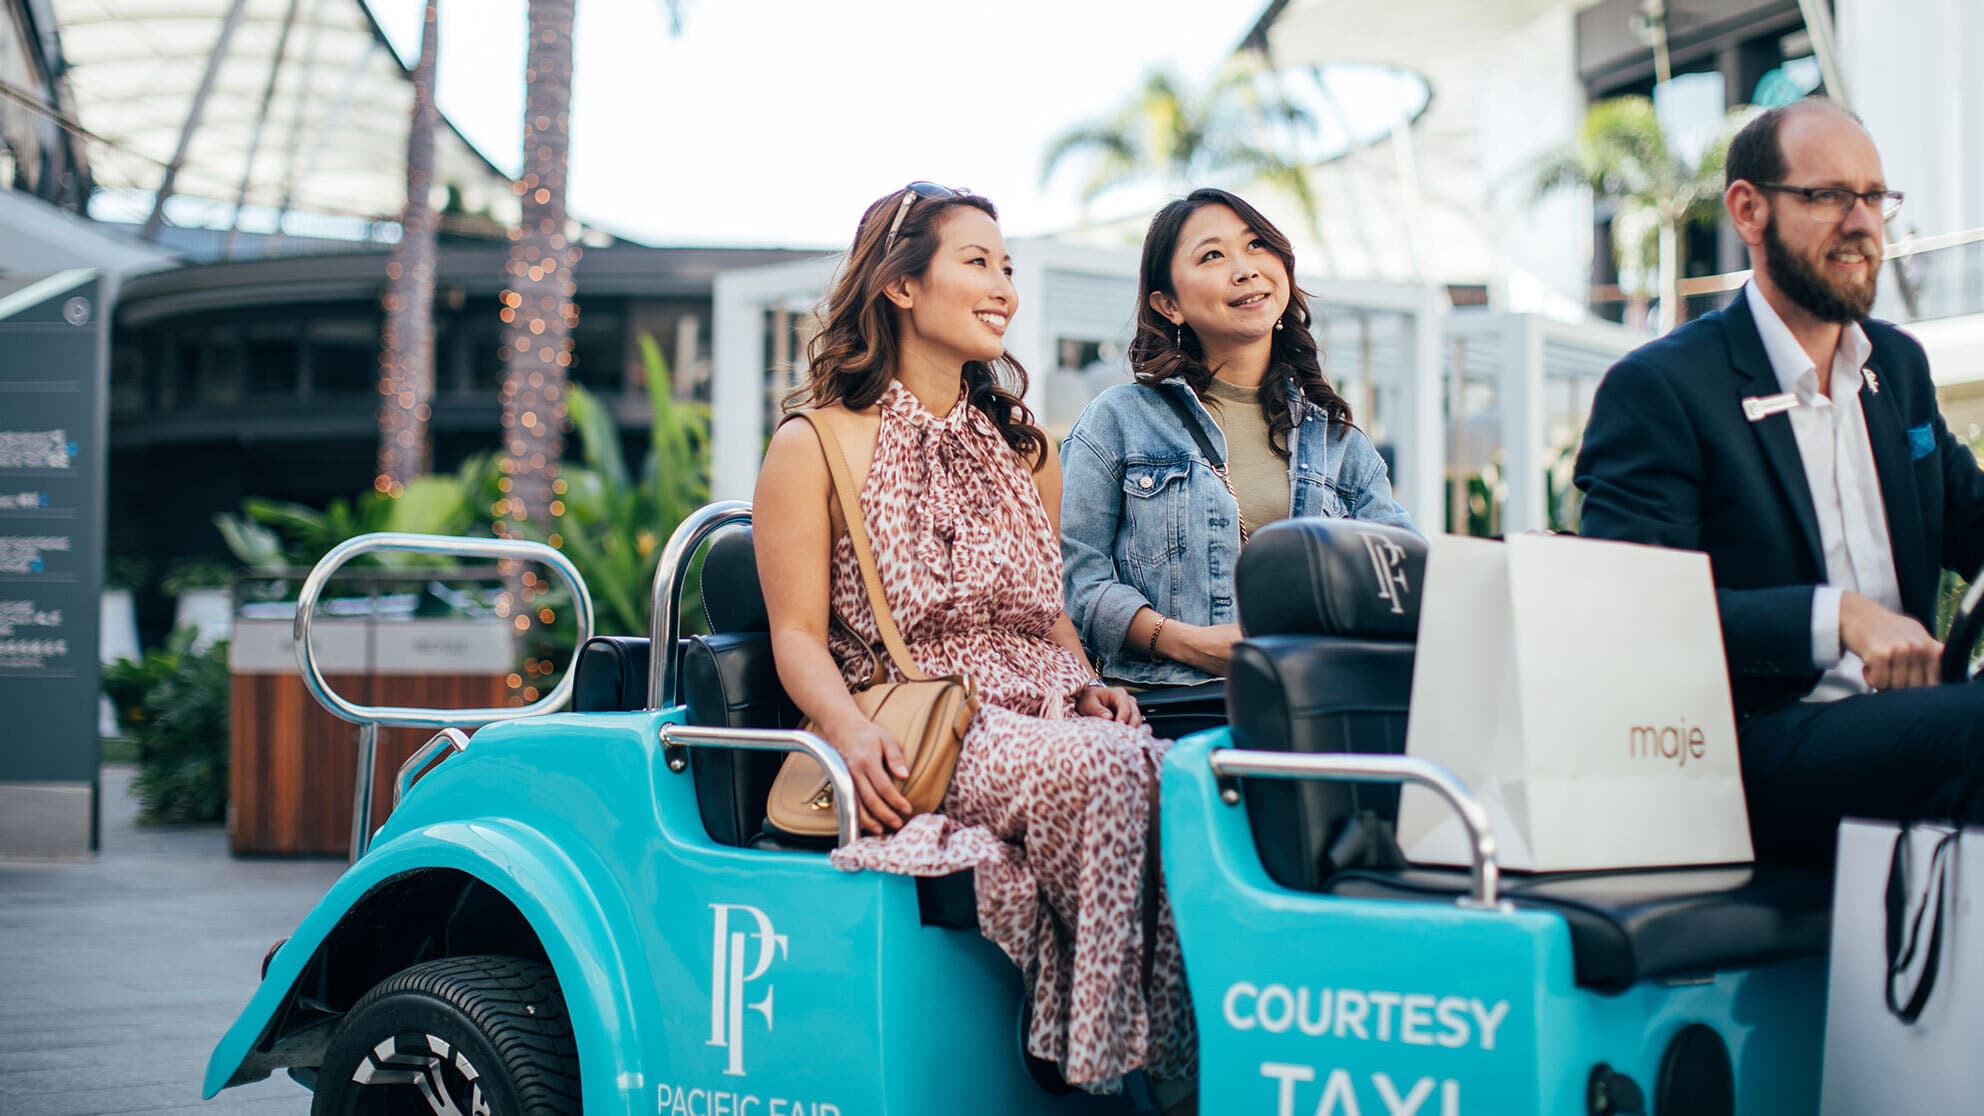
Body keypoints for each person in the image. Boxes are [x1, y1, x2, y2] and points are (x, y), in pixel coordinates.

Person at [752, 183, 1197, 1107]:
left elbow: (1048, 611)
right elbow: (795, 636)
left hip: (1040, 709)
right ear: (901, 285)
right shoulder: (816, 443)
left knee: (1180, 771)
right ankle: (1122, 1067)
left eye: (1008, 267)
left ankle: (1171, 1058)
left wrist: (1087, 684)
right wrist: (846, 728)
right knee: (1108, 770)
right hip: (925, 720)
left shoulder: (1024, 448)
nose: (1003, 287)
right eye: (977, 262)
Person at [1575, 98, 1984, 864]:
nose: (1861, 223)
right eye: (1828, 196)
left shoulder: (1897, 369)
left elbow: (1971, 516)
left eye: (1875, 197)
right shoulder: (1662, 388)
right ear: (1748, 210)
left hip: (1914, 724)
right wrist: (1840, 617)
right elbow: (1634, 616)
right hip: (1750, 746)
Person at [1061, 188, 1414, 685]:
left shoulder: (1338, 442)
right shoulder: (1118, 420)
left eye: (1255, 245)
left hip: (1315, 701)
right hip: (1174, 706)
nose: (1245, 269)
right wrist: (1185, 642)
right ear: (1169, 304)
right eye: (1212, 255)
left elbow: (1403, 574)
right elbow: (1075, 579)